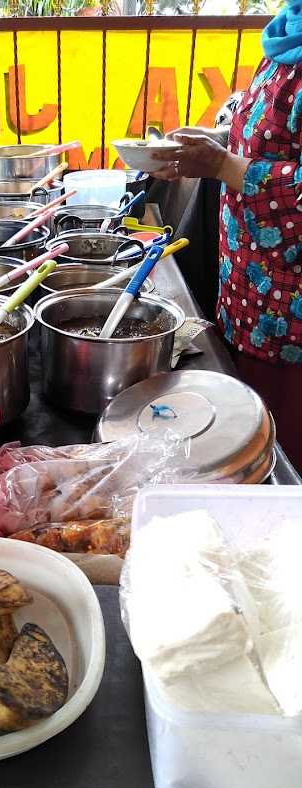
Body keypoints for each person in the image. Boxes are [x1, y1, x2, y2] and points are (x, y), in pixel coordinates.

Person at [150, 0, 302, 472]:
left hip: (291, 315)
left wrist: (221, 165)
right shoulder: (287, 34)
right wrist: (220, 140)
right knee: (246, 425)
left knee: (281, 451)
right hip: (250, 283)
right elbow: (269, 135)